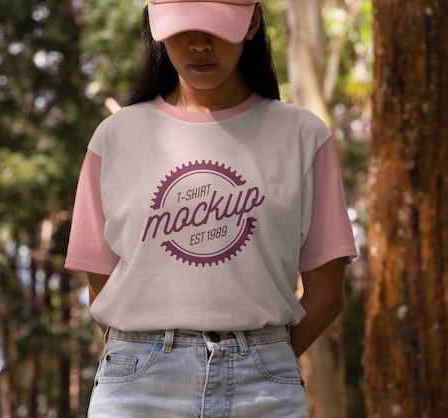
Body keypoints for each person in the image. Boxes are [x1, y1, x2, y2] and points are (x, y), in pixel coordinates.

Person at [64, 0, 357, 416]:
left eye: (217, 28)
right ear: (156, 26)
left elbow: (327, 294)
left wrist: (260, 356)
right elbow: (102, 283)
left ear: (253, 20)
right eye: (183, 27)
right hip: (135, 389)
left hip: (264, 392)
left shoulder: (303, 136)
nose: (200, 44)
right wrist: (148, 353)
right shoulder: (115, 138)